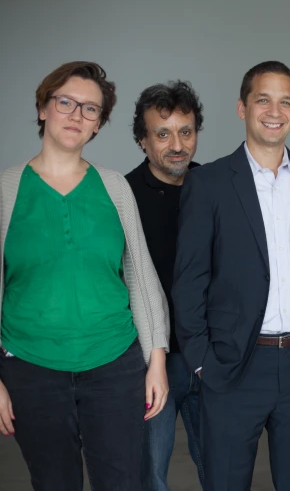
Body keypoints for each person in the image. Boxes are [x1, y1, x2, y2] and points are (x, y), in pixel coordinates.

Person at [172, 61, 290, 491]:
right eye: (263, 99)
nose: (274, 110)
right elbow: (189, 279)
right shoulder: (209, 183)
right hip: (234, 366)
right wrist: (201, 361)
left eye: (285, 101)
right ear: (242, 108)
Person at [0, 61, 169, 490]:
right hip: (31, 368)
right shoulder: (7, 190)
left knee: (122, 482)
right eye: (66, 102)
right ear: (43, 107)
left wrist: (157, 360)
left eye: (90, 110)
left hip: (114, 365)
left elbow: (142, 278)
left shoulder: (114, 187)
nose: (77, 115)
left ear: (98, 125)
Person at [126, 80, 205, 490]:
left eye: (186, 132)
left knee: (220, 469)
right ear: (143, 140)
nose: (177, 144)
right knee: (149, 475)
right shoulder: (122, 196)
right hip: (148, 360)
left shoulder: (215, 188)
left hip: (208, 357)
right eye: (162, 133)